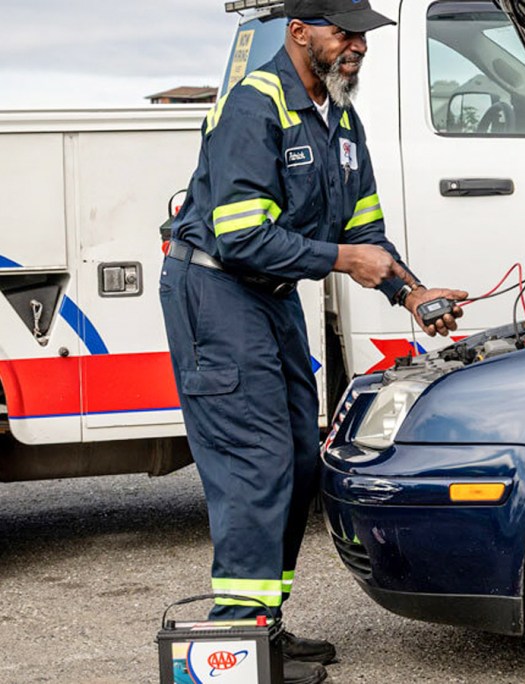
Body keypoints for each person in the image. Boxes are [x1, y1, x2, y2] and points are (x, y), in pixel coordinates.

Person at [159, 1, 467, 682]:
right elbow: (240, 235)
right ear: (299, 32)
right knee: (256, 459)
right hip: (215, 293)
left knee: (300, 456)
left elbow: (366, 237)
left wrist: (410, 293)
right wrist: (342, 261)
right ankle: (234, 652)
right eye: (343, 31)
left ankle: (262, 630)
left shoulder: (340, 119)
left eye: (362, 34)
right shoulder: (254, 104)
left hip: (267, 298)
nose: (356, 44)